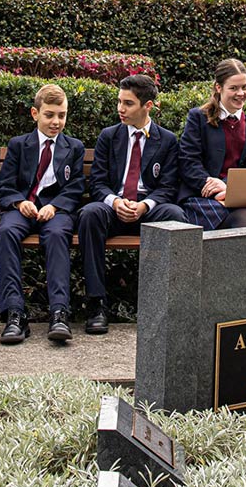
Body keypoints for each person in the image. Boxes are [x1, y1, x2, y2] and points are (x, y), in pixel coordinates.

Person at [76, 74, 188, 335]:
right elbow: (98, 184)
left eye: (128, 103)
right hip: (112, 210)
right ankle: (96, 303)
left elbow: (168, 187)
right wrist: (115, 202)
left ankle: (164, 306)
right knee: (90, 214)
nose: (120, 109)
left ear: (147, 106)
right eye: (119, 102)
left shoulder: (167, 140)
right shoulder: (109, 136)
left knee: (176, 215)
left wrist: (145, 205)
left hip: (148, 210)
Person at [0, 84, 87, 344]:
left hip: (55, 211)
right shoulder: (19, 145)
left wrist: (55, 206)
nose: (56, 122)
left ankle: (59, 313)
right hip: (23, 209)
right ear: (35, 113)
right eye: (49, 115)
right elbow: (4, 187)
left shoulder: (74, 147)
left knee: (57, 235)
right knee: (7, 232)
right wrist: (19, 202)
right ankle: (15, 314)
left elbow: (77, 186)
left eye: (62, 115)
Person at [177, 58, 246, 229]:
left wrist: (229, 185)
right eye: (234, 88)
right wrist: (214, 185)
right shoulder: (198, 118)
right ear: (218, 87)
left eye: (245, 87)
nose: (241, 93)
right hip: (204, 196)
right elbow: (188, 162)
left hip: (242, 195)